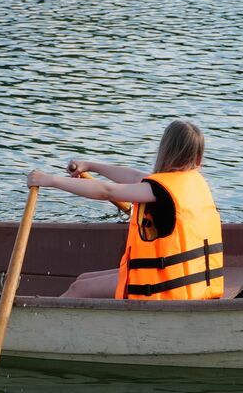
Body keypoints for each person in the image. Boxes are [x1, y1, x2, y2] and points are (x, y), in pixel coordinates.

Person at [26, 120, 224, 300]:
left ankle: (39, 329)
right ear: (198, 157)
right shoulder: (191, 183)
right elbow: (134, 175)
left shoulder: (157, 190)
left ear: (165, 151)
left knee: (80, 289)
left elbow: (106, 191)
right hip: (189, 282)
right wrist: (90, 166)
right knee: (83, 278)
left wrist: (51, 181)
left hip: (165, 290)